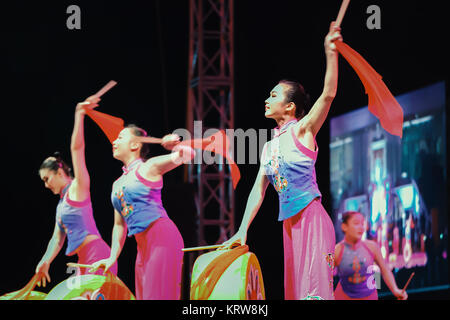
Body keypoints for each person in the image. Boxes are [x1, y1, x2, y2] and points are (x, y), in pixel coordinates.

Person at [220, 22, 342, 300]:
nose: (266, 99)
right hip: (289, 225)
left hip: (311, 220)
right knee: (296, 294)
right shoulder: (269, 147)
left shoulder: (303, 129)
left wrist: (330, 52)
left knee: (314, 294)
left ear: (289, 106)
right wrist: (242, 230)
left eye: (273, 95)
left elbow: (329, 94)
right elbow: (257, 191)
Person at [90, 125, 195, 300]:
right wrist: (112, 257)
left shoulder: (148, 167)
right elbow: (119, 225)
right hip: (143, 247)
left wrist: (175, 146)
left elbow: (189, 154)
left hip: (162, 238)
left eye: (120, 137)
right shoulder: (116, 184)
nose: (114, 141)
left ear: (135, 145)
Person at [35, 96, 117, 288]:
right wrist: (45, 260)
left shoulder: (78, 187)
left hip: (97, 254)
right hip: (82, 259)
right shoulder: (61, 205)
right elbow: (57, 238)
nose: (46, 185)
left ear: (60, 171)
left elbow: (77, 149)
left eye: (47, 179)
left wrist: (79, 114)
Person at [334, 211, 408, 300]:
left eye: (362, 224)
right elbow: (325, 278)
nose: (361, 227)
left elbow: (385, 271)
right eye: (356, 223)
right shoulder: (336, 251)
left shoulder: (372, 247)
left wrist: (395, 290)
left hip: (369, 296)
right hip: (343, 297)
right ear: (344, 226)